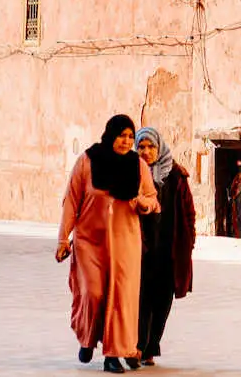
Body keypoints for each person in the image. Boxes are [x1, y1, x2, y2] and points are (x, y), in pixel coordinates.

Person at [57, 114, 159, 373]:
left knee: (120, 299)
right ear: (110, 134)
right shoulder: (88, 161)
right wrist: (62, 238)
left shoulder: (138, 166)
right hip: (89, 242)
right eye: (121, 135)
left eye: (129, 137)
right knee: (94, 293)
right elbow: (71, 200)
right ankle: (88, 338)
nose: (126, 142)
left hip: (125, 244)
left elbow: (152, 198)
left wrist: (143, 204)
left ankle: (113, 354)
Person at [133, 127, 195, 367]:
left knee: (163, 300)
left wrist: (189, 240)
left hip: (170, 248)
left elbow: (188, 211)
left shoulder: (176, 176)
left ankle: (151, 345)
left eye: (151, 147)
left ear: (160, 148)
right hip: (140, 247)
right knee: (142, 298)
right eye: (141, 147)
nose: (146, 152)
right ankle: (139, 345)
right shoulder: (132, 175)